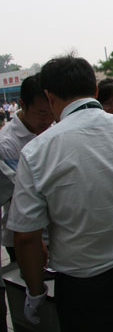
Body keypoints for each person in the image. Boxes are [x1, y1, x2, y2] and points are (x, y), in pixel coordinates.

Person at [8, 57, 113, 331]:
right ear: (95, 91)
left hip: (86, 288)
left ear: (49, 97)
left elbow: (26, 237)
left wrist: (35, 292)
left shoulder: (38, 152)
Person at [0, 74, 54, 263]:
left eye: (51, 112)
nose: (48, 120)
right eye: (41, 113)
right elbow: (19, 193)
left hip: (53, 233)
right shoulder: (7, 143)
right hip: (26, 236)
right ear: (23, 104)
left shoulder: (53, 129)